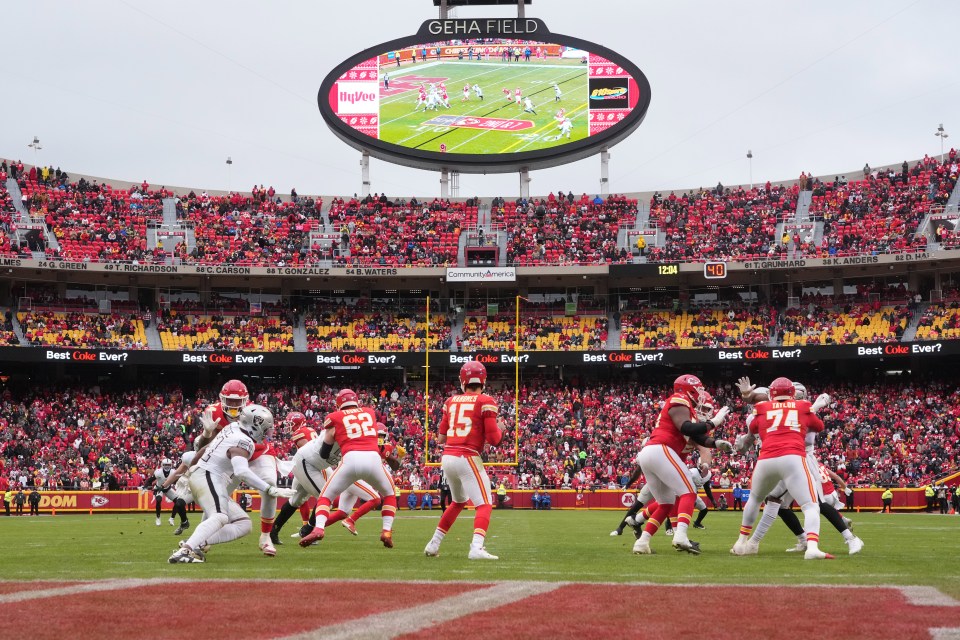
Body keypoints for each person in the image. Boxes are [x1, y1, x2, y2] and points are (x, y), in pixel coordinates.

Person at [168, 405, 294, 564]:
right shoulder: (245, 441)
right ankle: (185, 550)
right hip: (208, 476)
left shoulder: (233, 427)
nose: (267, 433)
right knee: (219, 516)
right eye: (266, 429)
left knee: (244, 524)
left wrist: (192, 468)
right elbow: (241, 471)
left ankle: (198, 542)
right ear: (255, 426)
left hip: (205, 475)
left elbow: (205, 448)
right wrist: (269, 488)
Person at [730, 377, 831, 560]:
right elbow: (819, 426)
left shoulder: (761, 408)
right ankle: (812, 547)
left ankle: (741, 542)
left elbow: (753, 429)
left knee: (754, 498)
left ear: (771, 393)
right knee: (810, 506)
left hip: (766, 459)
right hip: (792, 458)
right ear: (792, 393)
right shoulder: (803, 406)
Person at [632, 374, 732, 555]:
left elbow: (698, 438)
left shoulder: (685, 408)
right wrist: (713, 422)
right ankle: (681, 536)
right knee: (689, 491)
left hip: (652, 453)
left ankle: (642, 542)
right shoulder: (679, 399)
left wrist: (716, 443)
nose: (701, 394)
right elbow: (687, 428)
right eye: (699, 389)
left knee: (665, 504)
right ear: (689, 389)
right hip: (661, 449)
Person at [424, 361, 503, 560]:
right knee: (484, 503)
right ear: (482, 380)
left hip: (448, 457)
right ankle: (476, 547)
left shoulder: (451, 401)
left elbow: (441, 438)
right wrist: (500, 427)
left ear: (463, 381)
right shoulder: (485, 401)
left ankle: (433, 544)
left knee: (458, 502)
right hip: (467, 456)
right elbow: (494, 439)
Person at [299, 389, 399, 549]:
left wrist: (334, 437)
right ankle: (386, 531)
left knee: (325, 497)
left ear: (339, 403)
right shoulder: (370, 413)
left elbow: (324, 453)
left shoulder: (334, 418)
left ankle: (318, 529)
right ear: (356, 402)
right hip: (373, 458)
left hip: (350, 459)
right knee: (389, 494)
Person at [195, 379, 281, 557]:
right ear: (221, 398)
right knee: (217, 495)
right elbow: (202, 446)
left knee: (270, 484)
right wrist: (206, 433)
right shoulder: (212, 412)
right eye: (230, 401)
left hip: (258, 453)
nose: (233, 405)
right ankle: (202, 537)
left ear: (246, 400)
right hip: (231, 457)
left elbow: (267, 436)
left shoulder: (256, 412)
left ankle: (266, 536)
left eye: (237, 401)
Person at [269, 412, 318, 542]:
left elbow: (307, 452)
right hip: (309, 468)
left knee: (295, 500)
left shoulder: (300, 433)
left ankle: (274, 530)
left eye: (291, 424)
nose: (288, 427)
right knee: (325, 497)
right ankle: (309, 531)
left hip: (307, 467)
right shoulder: (309, 430)